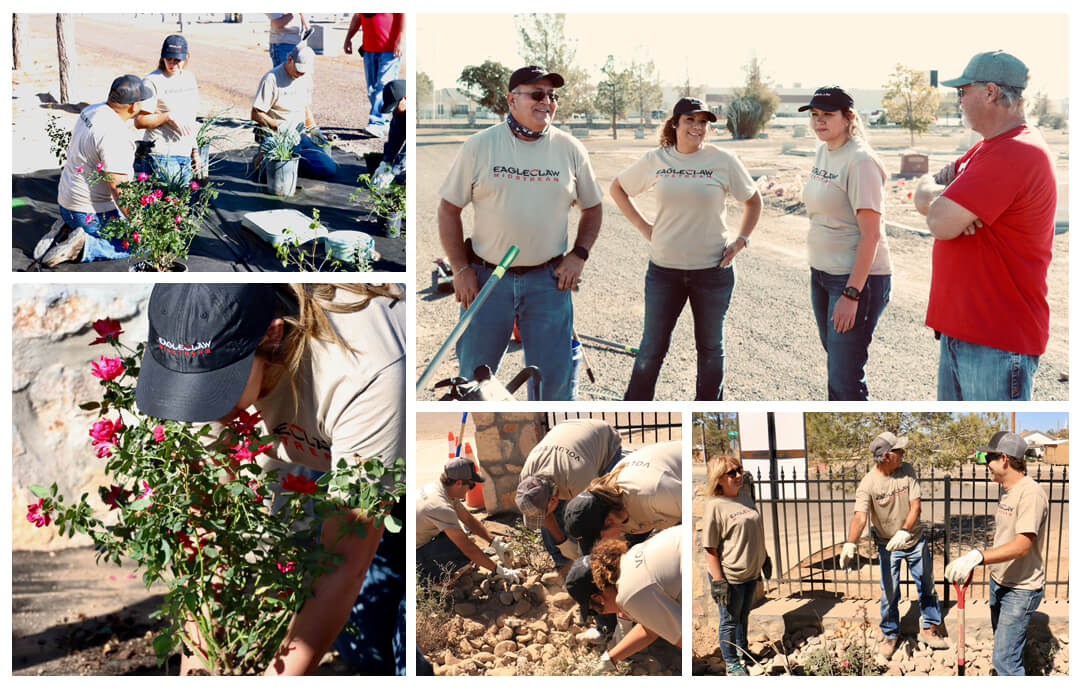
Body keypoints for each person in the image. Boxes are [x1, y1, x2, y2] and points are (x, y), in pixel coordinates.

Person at [133, 283, 406, 675]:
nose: (197, 406)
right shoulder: (195, 345)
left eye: (213, 391)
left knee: (380, 636)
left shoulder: (364, 371)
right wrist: (200, 669)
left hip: (392, 458)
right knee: (348, 630)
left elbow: (344, 560)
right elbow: (205, 531)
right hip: (323, 447)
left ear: (272, 335)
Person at [437, 66, 603, 400]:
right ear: (512, 99)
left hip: (548, 283)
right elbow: (448, 209)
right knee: (475, 381)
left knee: (552, 383)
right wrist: (460, 269)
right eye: (538, 94)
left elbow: (594, 208)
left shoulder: (570, 149)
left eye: (553, 96)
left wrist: (578, 255)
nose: (548, 102)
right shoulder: (479, 146)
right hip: (486, 281)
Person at [913, 51, 1056, 401]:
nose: (958, 100)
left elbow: (939, 221)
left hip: (995, 341)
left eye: (962, 91)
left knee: (993, 446)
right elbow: (923, 192)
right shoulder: (986, 150)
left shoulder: (1016, 153)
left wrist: (946, 203)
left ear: (990, 92)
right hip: (966, 334)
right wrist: (943, 193)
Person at [611, 97, 761, 400]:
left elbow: (754, 200)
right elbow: (617, 189)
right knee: (652, 347)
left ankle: (707, 409)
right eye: (690, 120)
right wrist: (644, 227)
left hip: (713, 273)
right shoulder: (657, 160)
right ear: (675, 123)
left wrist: (741, 240)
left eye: (703, 122)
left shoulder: (723, 160)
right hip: (664, 272)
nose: (697, 127)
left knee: (710, 349)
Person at [799, 86, 892, 400]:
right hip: (822, 275)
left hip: (854, 282)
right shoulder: (824, 150)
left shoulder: (861, 161)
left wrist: (851, 294)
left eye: (827, 115)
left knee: (844, 379)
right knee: (840, 368)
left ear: (848, 117)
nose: (819, 121)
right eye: (814, 115)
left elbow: (872, 234)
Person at [945, 431, 1048, 676]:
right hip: (999, 582)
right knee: (1005, 649)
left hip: (1020, 589)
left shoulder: (1030, 494)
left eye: (987, 458)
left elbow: (1022, 545)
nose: (985, 464)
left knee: (1006, 662)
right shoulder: (1007, 490)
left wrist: (978, 556)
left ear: (1003, 459)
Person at [838, 431, 947, 660]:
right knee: (889, 591)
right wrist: (850, 543)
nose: (903, 453)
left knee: (927, 585)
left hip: (914, 540)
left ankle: (929, 628)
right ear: (887, 456)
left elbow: (915, 507)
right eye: (898, 451)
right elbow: (860, 517)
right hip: (887, 546)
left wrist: (904, 530)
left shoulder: (906, 470)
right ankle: (890, 633)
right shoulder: (868, 484)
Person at [42, 75, 152, 266]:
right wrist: (142, 225)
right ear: (134, 106)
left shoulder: (92, 110)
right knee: (144, 243)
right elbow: (119, 190)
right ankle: (85, 246)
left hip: (66, 202)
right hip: (89, 213)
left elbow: (95, 145)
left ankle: (69, 228)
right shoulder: (115, 134)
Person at [514, 419, 623, 571]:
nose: (544, 515)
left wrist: (587, 552)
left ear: (553, 499)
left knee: (601, 512)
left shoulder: (580, 479)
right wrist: (564, 544)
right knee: (550, 515)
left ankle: (599, 564)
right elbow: (546, 516)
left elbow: (594, 518)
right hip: (566, 432)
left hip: (603, 439)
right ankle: (562, 565)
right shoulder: (527, 478)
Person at [581, 527, 682, 673]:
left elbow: (682, 638)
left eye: (596, 611)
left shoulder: (630, 594)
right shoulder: (632, 555)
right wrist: (610, 659)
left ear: (600, 599)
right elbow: (650, 629)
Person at [701, 455, 767, 675]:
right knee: (729, 621)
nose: (739, 475)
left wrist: (764, 557)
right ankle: (731, 662)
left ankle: (743, 652)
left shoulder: (745, 497)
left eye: (739, 469)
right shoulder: (714, 506)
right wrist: (718, 581)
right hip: (730, 575)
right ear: (719, 478)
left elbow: (755, 531)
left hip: (750, 571)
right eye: (732, 473)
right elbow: (710, 547)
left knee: (743, 615)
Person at [564, 440, 682, 554]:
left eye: (600, 542)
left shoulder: (655, 493)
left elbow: (696, 513)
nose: (602, 547)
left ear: (609, 520)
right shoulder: (610, 505)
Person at [416, 456, 520, 584]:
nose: (471, 489)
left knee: (459, 538)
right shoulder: (441, 507)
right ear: (459, 483)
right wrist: (499, 571)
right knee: (462, 550)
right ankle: (426, 580)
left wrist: (494, 542)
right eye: (471, 485)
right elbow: (468, 548)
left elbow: (468, 519)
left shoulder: (440, 489)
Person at [251, 45, 337, 180]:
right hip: (277, 137)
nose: (301, 74)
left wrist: (314, 129)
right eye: (299, 70)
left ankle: (294, 160)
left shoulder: (306, 78)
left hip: (298, 136)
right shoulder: (272, 79)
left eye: (305, 71)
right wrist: (278, 127)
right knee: (267, 174)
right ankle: (261, 157)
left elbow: (305, 107)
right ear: (290, 59)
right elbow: (256, 113)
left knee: (329, 169)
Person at [134, 35, 200, 184]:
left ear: (187, 57)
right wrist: (167, 116)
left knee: (180, 204)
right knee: (166, 204)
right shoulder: (152, 81)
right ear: (162, 57)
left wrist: (194, 150)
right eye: (169, 58)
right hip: (161, 154)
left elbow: (190, 119)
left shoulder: (189, 78)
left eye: (177, 59)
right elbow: (139, 121)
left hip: (184, 153)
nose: (172, 63)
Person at [344, 13, 404, 138]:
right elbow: (357, 17)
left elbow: (403, 16)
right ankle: (385, 121)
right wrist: (348, 38)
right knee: (371, 90)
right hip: (369, 50)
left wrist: (400, 41)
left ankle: (377, 123)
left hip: (389, 50)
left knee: (383, 87)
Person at [371, 79, 406, 188]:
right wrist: (386, 162)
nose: (394, 111)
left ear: (405, 99)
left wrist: (395, 169)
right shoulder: (400, 112)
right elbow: (395, 137)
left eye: (395, 107)